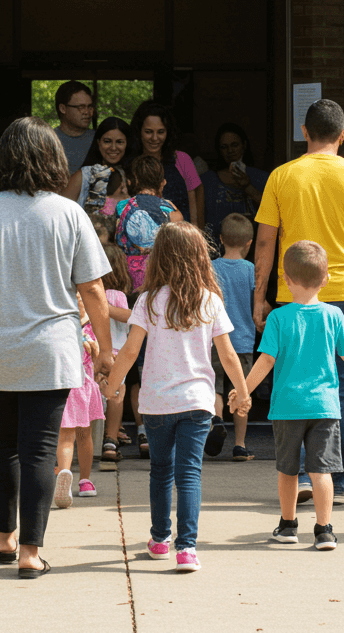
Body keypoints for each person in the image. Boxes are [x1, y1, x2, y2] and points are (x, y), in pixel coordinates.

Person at [0, 116, 113, 580]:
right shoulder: (69, 213)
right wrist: (109, 350)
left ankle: (4, 536)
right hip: (51, 350)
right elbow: (93, 289)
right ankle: (31, 552)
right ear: (52, 159)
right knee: (40, 450)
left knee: (4, 448)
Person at [253, 98, 344, 504]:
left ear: (304, 132)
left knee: (291, 385)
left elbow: (265, 241)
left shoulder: (282, 177)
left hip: (292, 296)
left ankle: (294, 475)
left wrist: (259, 297)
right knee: (340, 391)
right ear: (343, 135)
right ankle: (337, 480)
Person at [107, 222, 252, 573]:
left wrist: (112, 385)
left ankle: (160, 540)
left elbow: (129, 350)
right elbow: (229, 355)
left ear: (159, 257)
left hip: (157, 403)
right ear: (200, 257)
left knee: (160, 472)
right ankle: (187, 549)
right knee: (189, 473)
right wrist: (242, 392)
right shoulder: (210, 300)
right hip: (198, 402)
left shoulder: (147, 301)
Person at [232, 241, 344, 550]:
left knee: (288, 470)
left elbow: (266, 361)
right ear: (326, 279)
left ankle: (288, 526)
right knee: (322, 470)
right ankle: (324, 530)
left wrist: (243, 390)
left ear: (285, 279)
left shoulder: (278, 318)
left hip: (288, 406)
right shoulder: (333, 315)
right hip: (325, 407)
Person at [208, 213, 258, 461]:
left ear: (220, 239)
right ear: (249, 242)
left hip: (216, 338)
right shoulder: (251, 270)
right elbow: (256, 302)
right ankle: (240, 445)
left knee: (216, 388)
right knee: (241, 391)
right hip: (243, 339)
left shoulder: (211, 267)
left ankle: (216, 422)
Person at [54, 295, 106, 508]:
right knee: (67, 434)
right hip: (68, 385)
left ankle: (84, 478)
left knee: (83, 433)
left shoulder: (91, 325)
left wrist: (93, 349)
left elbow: (98, 356)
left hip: (83, 385)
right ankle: (65, 479)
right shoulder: (62, 324)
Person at [116, 155, 184, 290]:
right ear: (162, 182)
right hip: (160, 276)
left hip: (126, 277)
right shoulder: (170, 211)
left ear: (133, 181)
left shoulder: (122, 206)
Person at [131, 101, 204, 226]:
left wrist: (197, 236)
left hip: (180, 238)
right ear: (139, 131)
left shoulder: (182, 159)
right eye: (148, 132)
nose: (154, 138)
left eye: (160, 132)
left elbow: (194, 214)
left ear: (168, 132)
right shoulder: (130, 163)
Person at [200, 123, 268, 245]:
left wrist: (248, 187)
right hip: (216, 251)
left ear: (244, 145)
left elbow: (273, 211)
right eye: (224, 147)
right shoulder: (208, 181)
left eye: (234, 145)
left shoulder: (260, 178)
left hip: (252, 250)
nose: (230, 151)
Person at [99, 243, 133, 462]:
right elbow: (130, 317)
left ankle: (87, 438)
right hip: (118, 353)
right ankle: (110, 439)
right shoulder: (117, 295)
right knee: (116, 396)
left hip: (93, 352)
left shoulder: (89, 294)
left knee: (95, 394)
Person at [62, 115, 130, 212]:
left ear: (127, 144)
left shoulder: (131, 176)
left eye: (119, 142)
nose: (113, 147)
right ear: (98, 142)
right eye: (107, 141)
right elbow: (62, 212)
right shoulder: (82, 177)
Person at [54, 80, 96, 173]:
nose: (87, 112)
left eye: (89, 107)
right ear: (63, 108)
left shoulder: (101, 140)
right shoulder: (48, 141)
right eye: (81, 107)